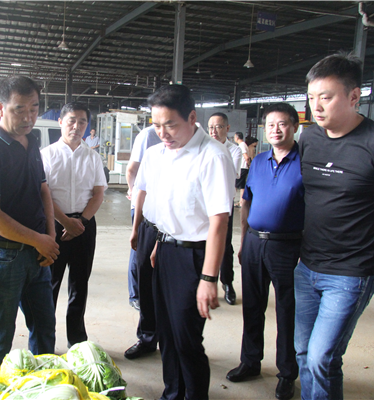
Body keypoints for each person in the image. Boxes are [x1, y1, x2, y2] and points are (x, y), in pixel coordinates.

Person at [296, 52, 374, 399]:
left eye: (326, 97)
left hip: (350, 273)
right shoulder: (309, 139)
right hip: (307, 266)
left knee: (322, 358)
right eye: (311, 97)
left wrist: (369, 240)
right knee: (304, 354)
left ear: (354, 96)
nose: (316, 106)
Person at [135, 85, 235, 399]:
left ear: (192, 118)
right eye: (156, 125)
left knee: (186, 339)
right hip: (164, 251)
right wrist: (159, 241)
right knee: (166, 334)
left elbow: (219, 222)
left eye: (170, 125)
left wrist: (209, 278)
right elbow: (163, 207)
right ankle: (172, 394)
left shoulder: (212, 156)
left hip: (195, 256)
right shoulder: (157, 154)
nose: (162, 133)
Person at [0, 75, 59, 381]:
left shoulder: (31, 142)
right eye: (20, 109)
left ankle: (42, 386)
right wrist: (40, 241)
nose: (28, 117)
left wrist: (50, 236)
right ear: (0, 108)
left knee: (44, 328)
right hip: (2, 256)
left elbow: (43, 189)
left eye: (34, 108)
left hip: (37, 254)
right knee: (0, 335)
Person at [226, 103, 304, 400]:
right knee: (252, 306)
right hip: (255, 243)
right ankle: (250, 361)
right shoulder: (258, 162)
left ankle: (287, 373)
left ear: (294, 126)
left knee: (286, 310)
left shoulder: (305, 163)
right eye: (271, 125)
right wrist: (244, 241)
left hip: (288, 246)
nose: (276, 130)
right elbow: (246, 202)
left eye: (282, 124)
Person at [41, 102, 107, 347]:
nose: (76, 126)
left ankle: (77, 339)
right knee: (49, 284)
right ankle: (45, 339)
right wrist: (65, 221)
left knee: (80, 283)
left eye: (82, 122)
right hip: (53, 226)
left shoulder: (93, 157)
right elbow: (43, 194)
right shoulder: (46, 155)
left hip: (84, 226)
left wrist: (81, 222)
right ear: (60, 122)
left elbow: (98, 194)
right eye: (71, 120)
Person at [125, 124, 161, 359]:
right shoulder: (152, 152)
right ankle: (147, 338)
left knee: (167, 289)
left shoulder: (193, 155)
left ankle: (171, 341)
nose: (162, 131)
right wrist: (136, 228)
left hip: (171, 231)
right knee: (145, 285)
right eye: (158, 125)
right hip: (147, 226)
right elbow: (141, 191)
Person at [207, 112, 242, 305]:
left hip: (224, 205)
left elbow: (230, 174)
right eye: (210, 127)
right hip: (204, 205)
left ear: (227, 129)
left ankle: (227, 283)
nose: (214, 131)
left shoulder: (234, 150)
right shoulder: (202, 148)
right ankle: (206, 282)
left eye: (218, 127)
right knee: (203, 243)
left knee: (225, 245)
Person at [234, 132, 250, 206]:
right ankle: (241, 202)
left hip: (242, 167)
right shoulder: (244, 144)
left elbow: (246, 157)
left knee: (235, 184)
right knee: (242, 186)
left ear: (237, 137)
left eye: (235, 137)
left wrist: (248, 164)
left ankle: (231, 200)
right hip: (244, 167)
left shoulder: (242, 145)